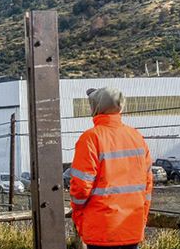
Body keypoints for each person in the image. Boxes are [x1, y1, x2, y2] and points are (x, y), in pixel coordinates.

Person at [68, 86, 153, 249]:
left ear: (96, 107)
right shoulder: (136, 137)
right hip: (131, 228)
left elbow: (80, 190)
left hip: (101, 230)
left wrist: (80, 218)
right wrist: (141, 220)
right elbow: (147, 187)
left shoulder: (91, 138)